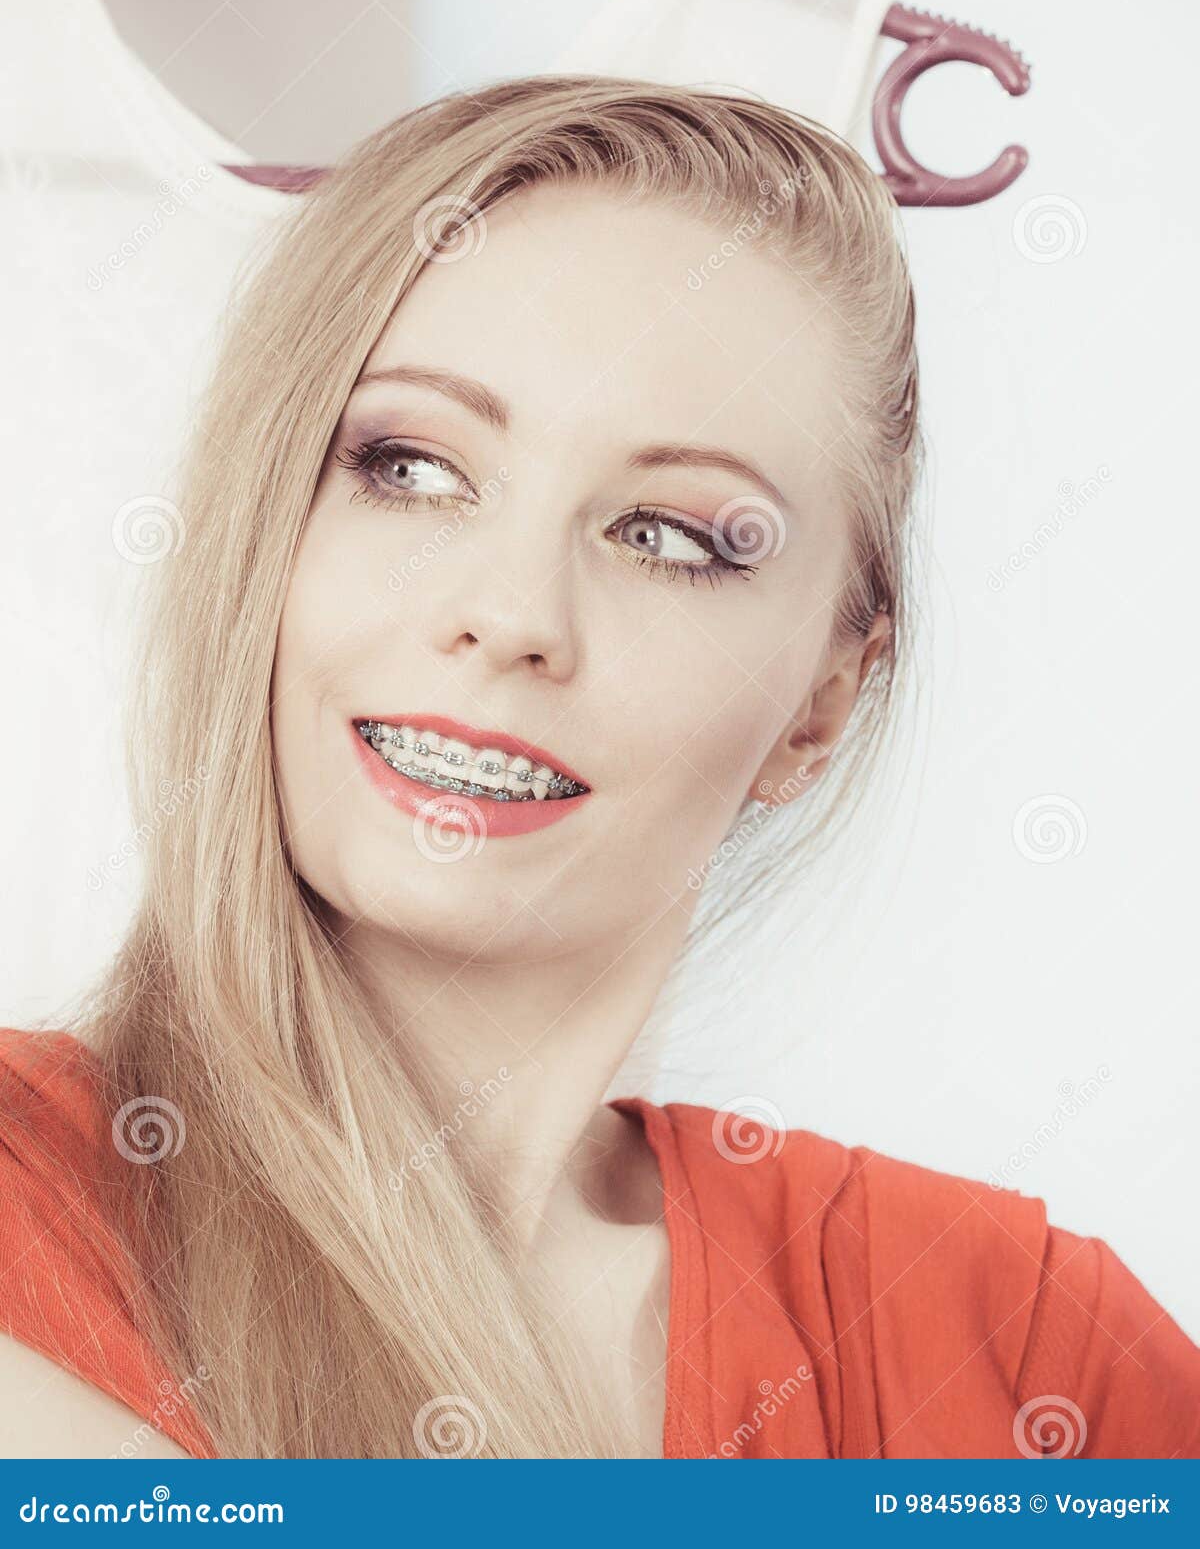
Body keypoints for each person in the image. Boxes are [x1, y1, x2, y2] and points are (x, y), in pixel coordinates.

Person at [1, 76, 1196, 1460]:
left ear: (819, 708)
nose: (512, 613)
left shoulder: (1029, 1342)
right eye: (413, 467)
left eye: (671, 536)